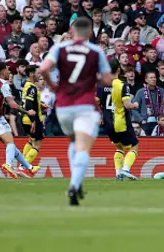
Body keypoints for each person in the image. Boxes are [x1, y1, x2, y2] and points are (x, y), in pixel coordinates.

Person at [39, 17, 113, 206]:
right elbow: (108, 80)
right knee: (83, 147)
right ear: (90, 33)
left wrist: (53, 85)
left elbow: (43, 68)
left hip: (63, 106)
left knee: (73, 142)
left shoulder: (59, 48)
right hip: (85, 105)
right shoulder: (95, 50)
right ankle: (73, 185)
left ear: (72, 32)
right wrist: (93, 77)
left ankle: (76, 182)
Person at [0, 62, 39, 179]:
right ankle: (8, 165)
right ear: (1, 71)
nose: (9, 72)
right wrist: (27, 112)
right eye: (7, 70)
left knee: (10, 145)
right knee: (10, 142)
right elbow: (12, 104)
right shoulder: (3, 84)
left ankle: (30, 168)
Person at [106, 59, 139, 180]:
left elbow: (97, 103)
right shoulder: (122, 85)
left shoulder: (101, 85)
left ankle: (118, 173)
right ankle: (126, 169)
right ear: (119, 70)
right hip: (121, 121)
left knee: (119, 147)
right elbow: (127, 105)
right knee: (134, 146)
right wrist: (135, 105)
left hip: (108, 122)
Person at [20, 66, 44, 168]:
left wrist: (41, 105)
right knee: (37, 145)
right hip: (32, 119)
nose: (39, 75)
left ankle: (21, 164)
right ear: (31, 74)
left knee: (30, 141)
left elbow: (27, 101)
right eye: (37, 73)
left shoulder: (26, 85)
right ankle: (23, 167)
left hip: (24, 118)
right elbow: (28, 104)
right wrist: (33, 120)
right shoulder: (32, 87)